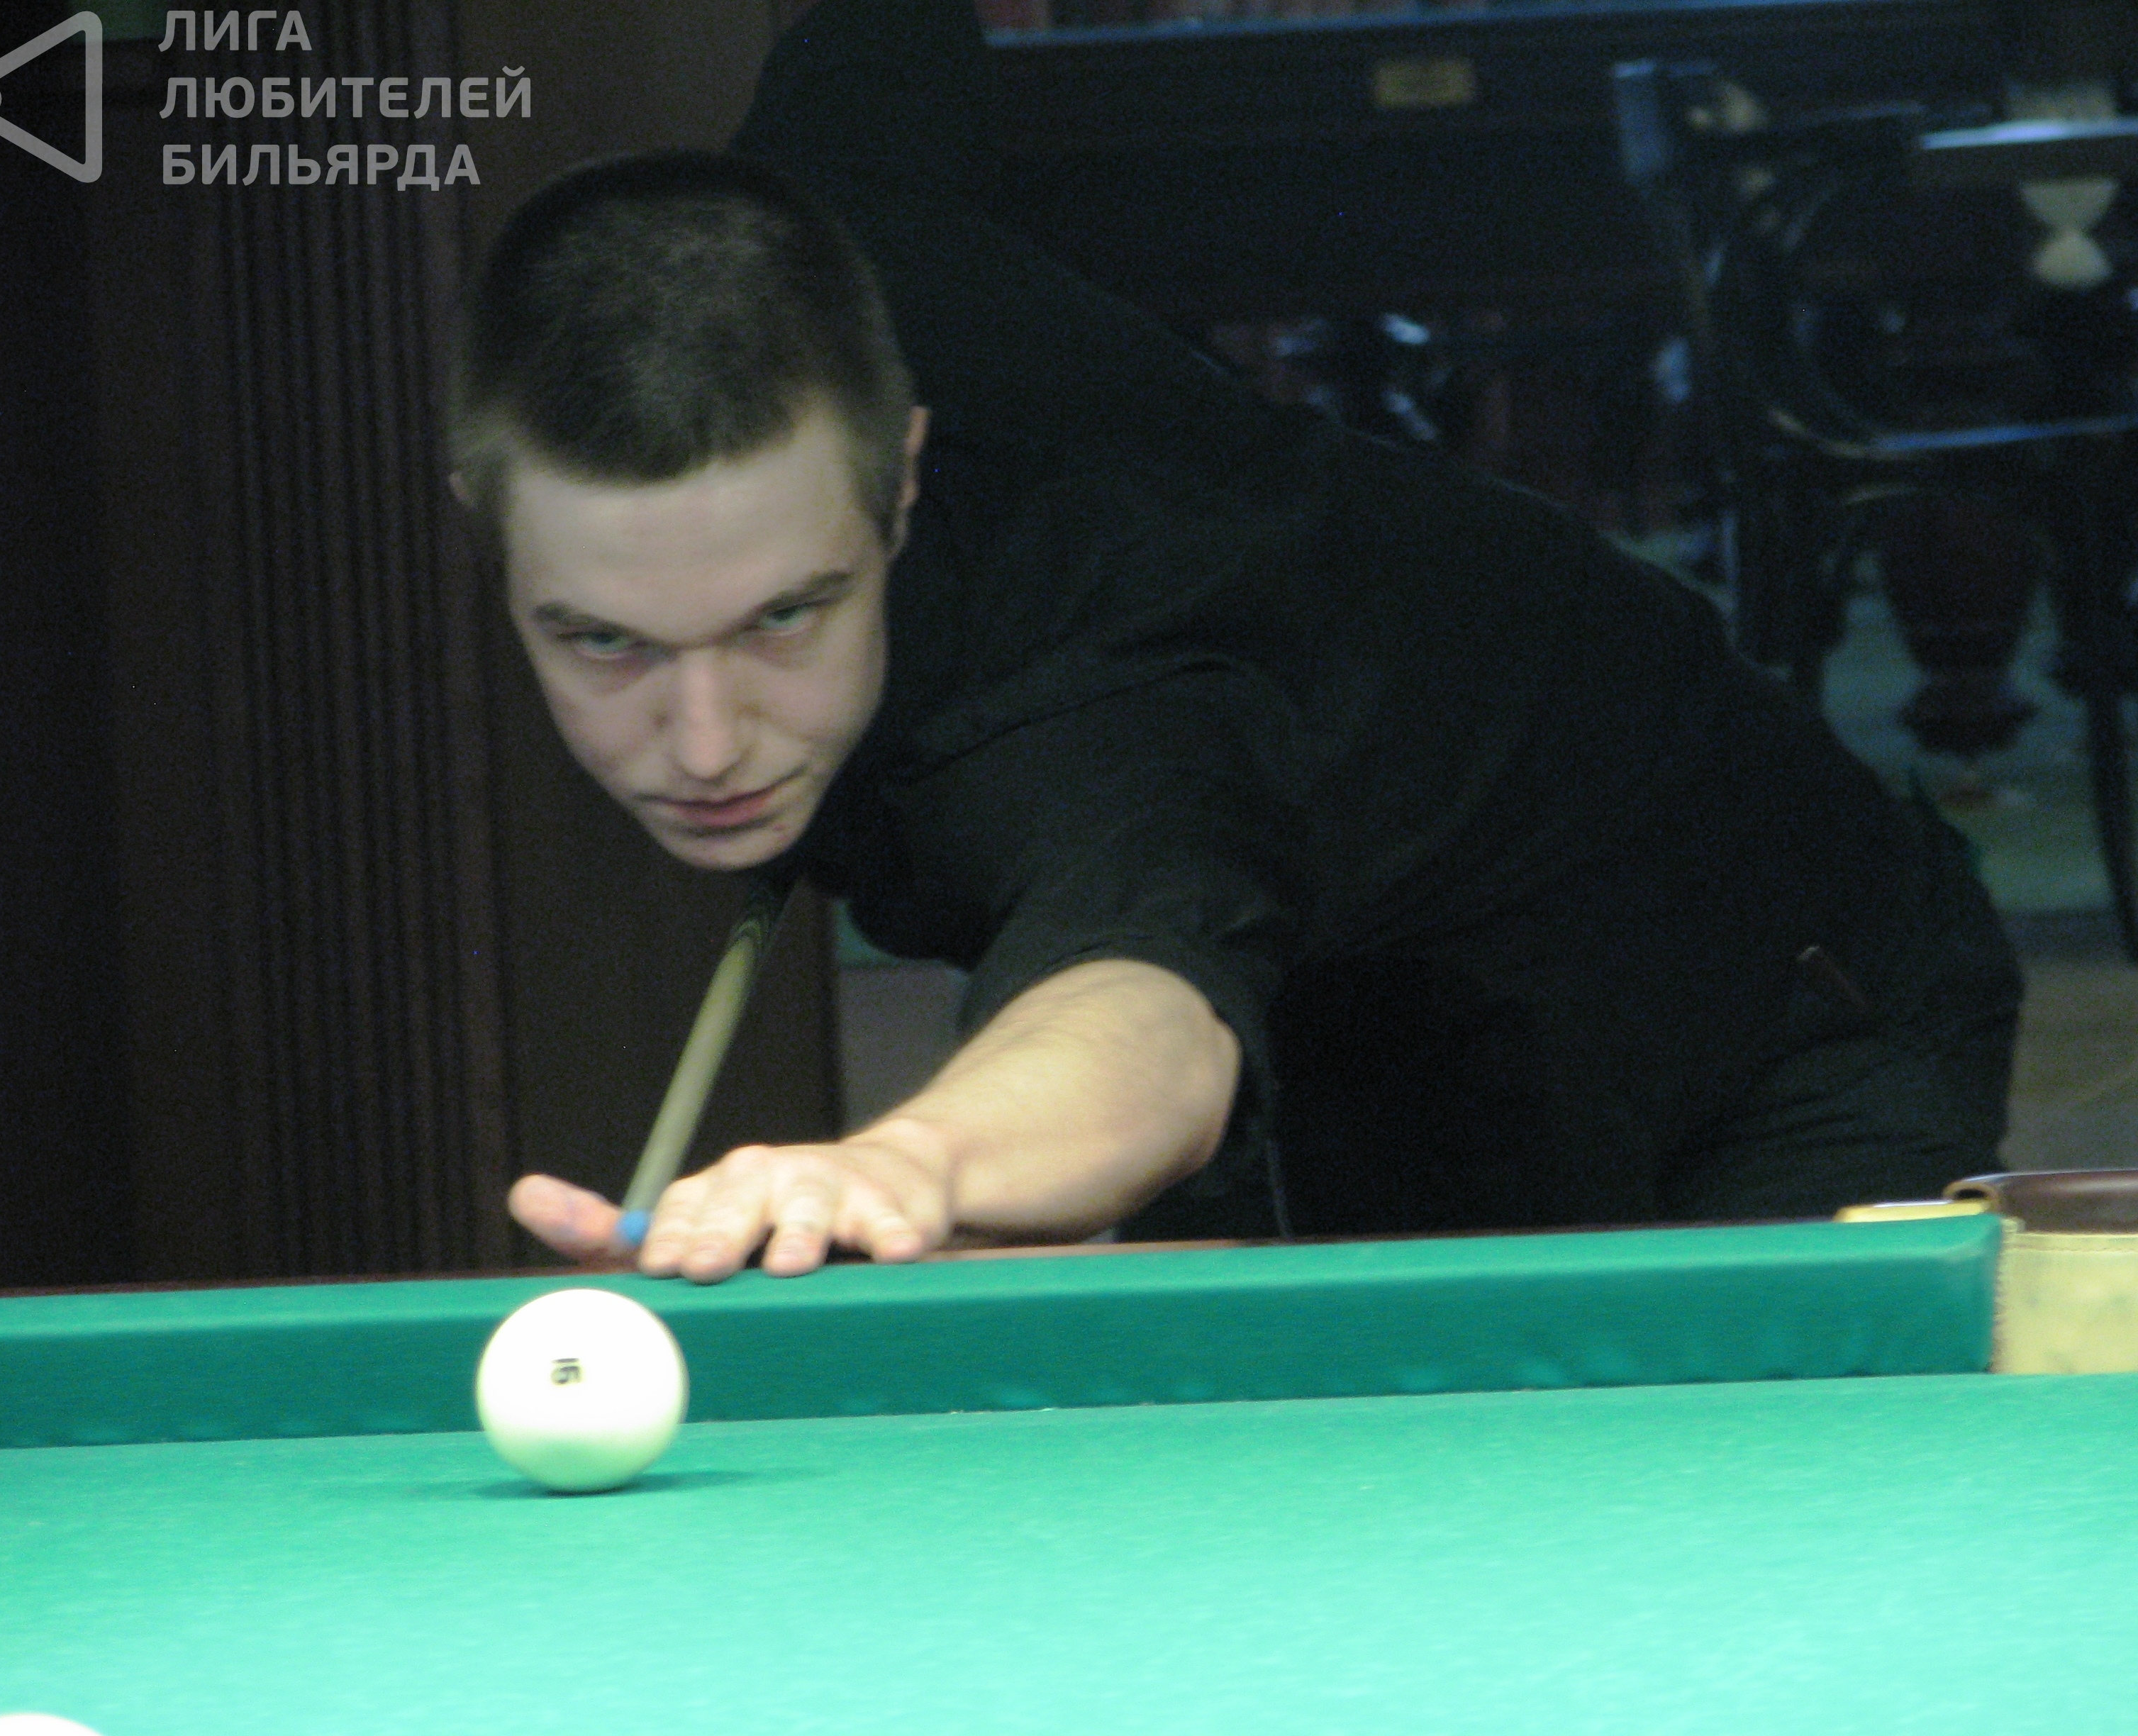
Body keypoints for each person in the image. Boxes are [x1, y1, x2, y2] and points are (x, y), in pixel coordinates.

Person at [452, 0, 2022, 1283]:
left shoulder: (1087, 705)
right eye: (608, 645)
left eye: (783, 617)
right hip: (1379, 1021)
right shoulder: (802, 243)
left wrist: (912, 1161)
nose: (705, 741)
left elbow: (1143, 1012)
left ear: (903, 481)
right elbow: (883, 53)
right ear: (484, 524)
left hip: (1770, 1021)